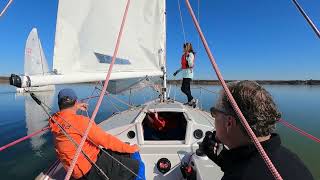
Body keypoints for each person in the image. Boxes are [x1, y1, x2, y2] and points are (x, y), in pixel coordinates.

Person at [202, 81, 314, 180]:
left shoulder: (239, 177)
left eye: (214, 112)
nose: (213, 117)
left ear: (229, 122)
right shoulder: (291, 160)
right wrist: (225, 160)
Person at [49, 88, 145, 180]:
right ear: (75, 101)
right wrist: (131, 148)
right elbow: (106, 141)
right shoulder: (81, 122)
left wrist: (76, 106)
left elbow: (66, 115)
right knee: (138, 165)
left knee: (126, 154)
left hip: (76, 170)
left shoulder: (55, 121)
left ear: (59, 104)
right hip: (90, 169)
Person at [173, 42, 197, 107]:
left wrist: (189, 58)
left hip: (189, 74)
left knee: (183, 89)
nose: (183, 48)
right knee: (187, 89)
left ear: (187, 48)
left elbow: (191, 64)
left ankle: (193, 100)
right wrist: (177, 71)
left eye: (184, 47)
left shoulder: (190, 54)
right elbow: (183, 66)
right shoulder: (184, 55)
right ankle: (190, 102)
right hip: (185, 74)